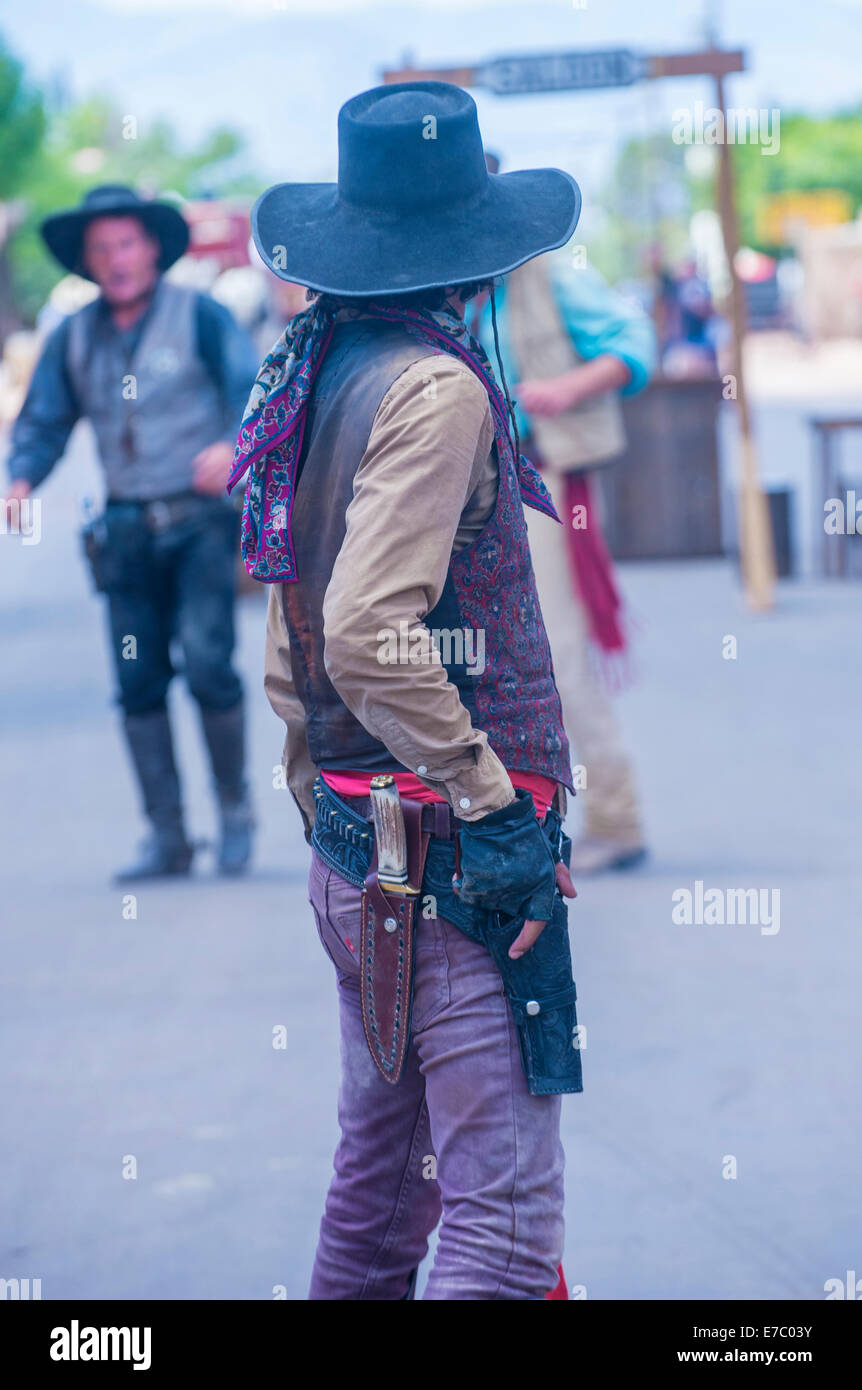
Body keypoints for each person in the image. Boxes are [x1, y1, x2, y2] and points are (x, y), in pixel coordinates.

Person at [241, 81, 587, 1299]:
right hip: (439, 856)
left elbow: (297, 653)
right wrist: (489, 807)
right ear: (469, 255)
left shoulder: (322, 363)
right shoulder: (433, 388)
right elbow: (364, 633)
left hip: (368, 846)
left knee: (383, 1204)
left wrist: (336, 815)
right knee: (495, 1233)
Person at [4, 185, 259, 879]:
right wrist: (21, 477)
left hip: (201, 523)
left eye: (126, 243)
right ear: (86, 261)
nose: (115, 259)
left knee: (208, 663)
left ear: (151, 249)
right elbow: (45, 421)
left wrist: (237, 444)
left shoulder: (202, 316)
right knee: (137, 680)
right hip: (123, 534)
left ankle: (235, 812)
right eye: (101, 248)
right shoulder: (73, 336)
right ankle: (168, 836)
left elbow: (254, 393)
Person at [472, 209, 657, 875]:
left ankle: (616, 816)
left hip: (543, 478)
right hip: (473, 489)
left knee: (558, 652)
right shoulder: (442, 285)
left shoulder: (547, 271)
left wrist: (563, 388)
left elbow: (633, 340)